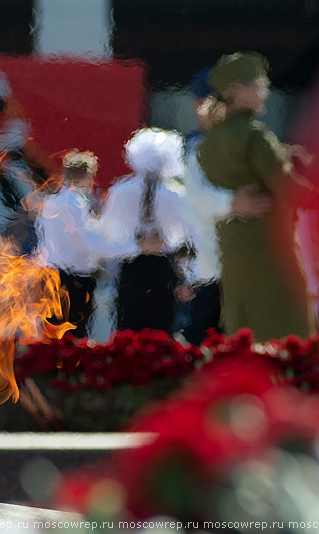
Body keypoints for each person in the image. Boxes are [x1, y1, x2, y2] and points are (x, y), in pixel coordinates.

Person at [198, 52, 315, 341]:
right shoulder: (255, 135)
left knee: (245, 329)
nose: (266, 92)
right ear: (239, 91)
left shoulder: (210, 139)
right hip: (271, 248)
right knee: (289, 332)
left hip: (232, 247)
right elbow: (289, 187)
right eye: (260, 85)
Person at [179, 68, 274, 344]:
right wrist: (234, 203)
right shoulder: (197, 150)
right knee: (207, 342)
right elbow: (194, 203)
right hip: (215, 272)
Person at [35, 151, 140, 337]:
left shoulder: (52, 201)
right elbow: (90, 242)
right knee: (72, 337)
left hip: (50, 274)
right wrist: (134, 247)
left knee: (51, 335)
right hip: (72, 279)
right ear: (88, 176)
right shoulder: (75, 204)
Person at [98, 128, 194, 333]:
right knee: (162, 330)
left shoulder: (120, 191)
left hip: (131, 268)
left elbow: (105, 236)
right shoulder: (176, 194)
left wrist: (135, 246)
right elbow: (190, 236)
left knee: (129, 330)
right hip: (162, 268)